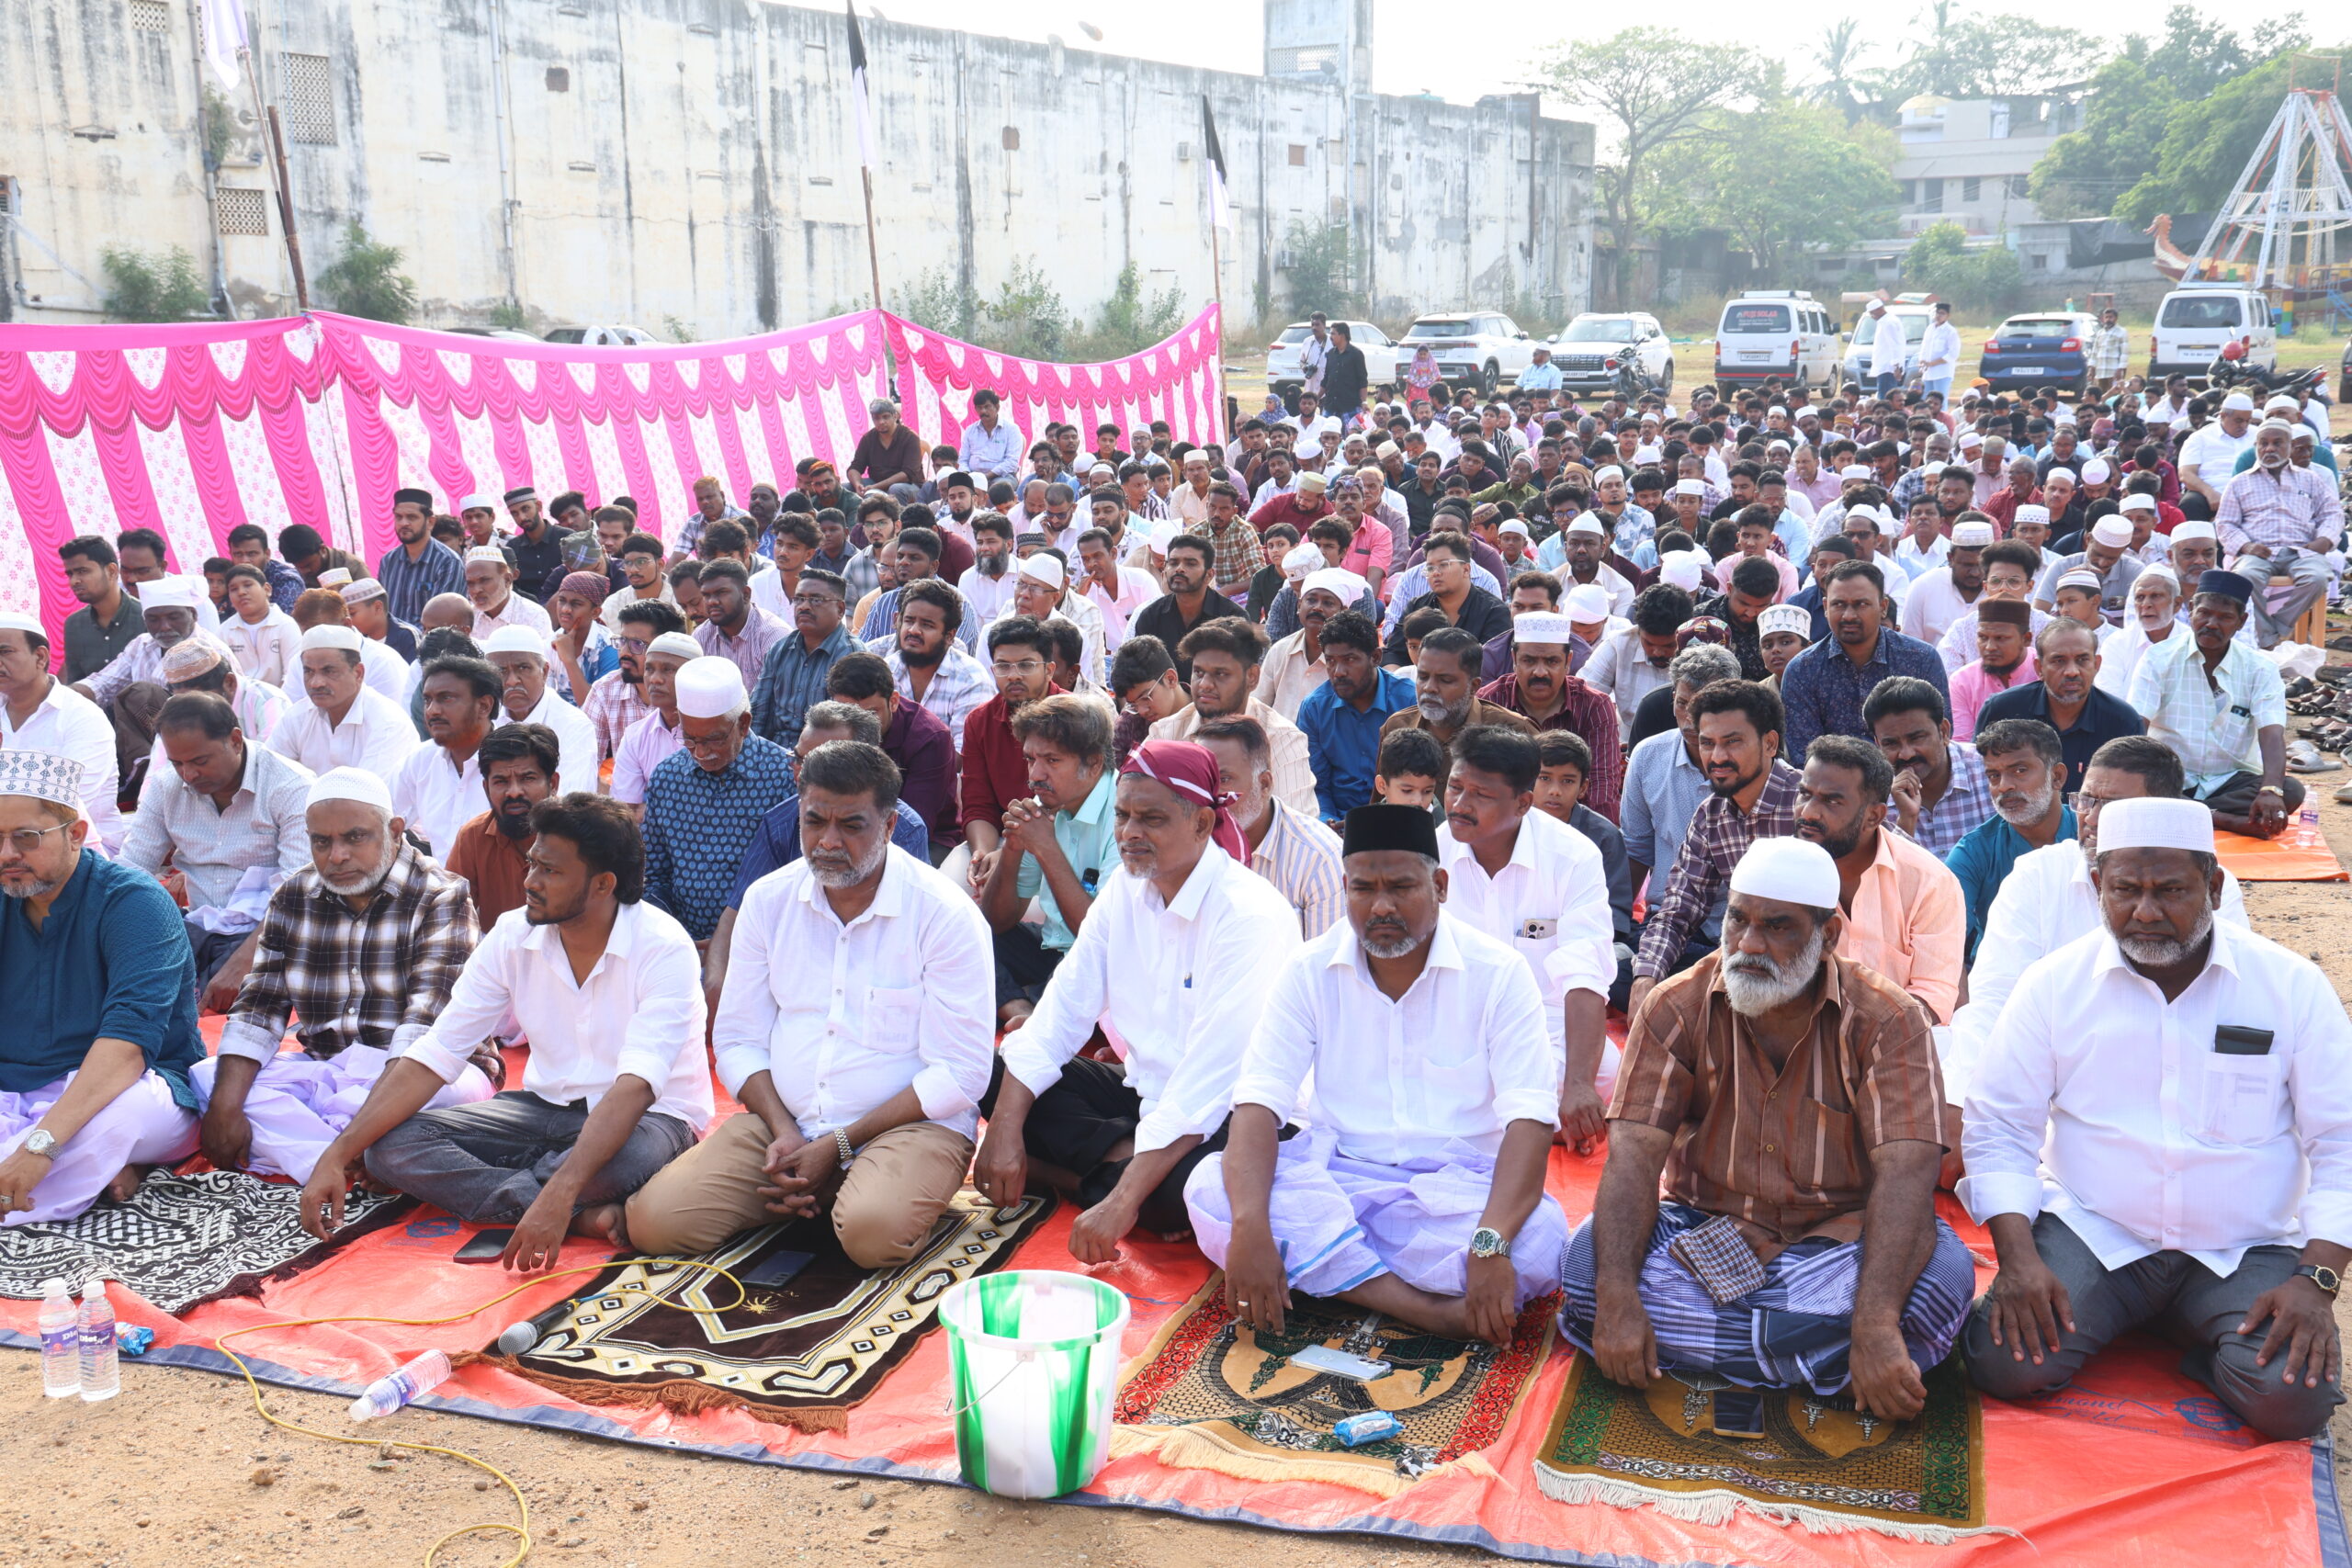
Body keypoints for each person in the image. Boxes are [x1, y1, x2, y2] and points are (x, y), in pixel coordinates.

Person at [1961, 796, 2351, 1440]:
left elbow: (2342, 1139)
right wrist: (2020, 1259)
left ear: (2215, 885)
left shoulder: (2289, 985)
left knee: (2292, 1397)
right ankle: (2155, 1320)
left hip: (2241, 1246)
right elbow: (2001, 1125)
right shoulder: (2054, 985)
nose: (2145, 911)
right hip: (2099, 1231)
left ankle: (2184, 1330)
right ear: (2096, 889)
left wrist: (2316, 1280)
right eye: (2125, 890)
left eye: (2170, 890)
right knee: (2005, 1361)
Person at [1564, 836, 1968, 1417]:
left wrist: (1875, 1322)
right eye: (1738, 920)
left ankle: (1735, 1346)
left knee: (1933, 1291)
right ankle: (1814, 1360)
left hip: (1841, 1245)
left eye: (1777, 927)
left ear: (1828, 937)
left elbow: (1908, 1174)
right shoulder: (1675, 1005)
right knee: (1585, 1274)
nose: (1749, 945)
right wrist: (1618, 1297)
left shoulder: (1888, 1018)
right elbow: (1632, 1156)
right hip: (1704, 1231)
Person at [1184, 804, 1570, 1342]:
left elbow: (1530, 1120)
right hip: (1338, 1178)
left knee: (1543, 1243)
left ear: (1439, 885)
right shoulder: (1308, 971)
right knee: (1211, 1188)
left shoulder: (1499, 974)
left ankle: (1336, 1270)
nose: (1381, 906)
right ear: (1345, 889)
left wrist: (1490, 1240)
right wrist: (1250, 1228)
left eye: (1401, 887)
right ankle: (1424, 1309)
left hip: (1458, 1196)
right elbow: (1257, 1103)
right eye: (1363, 889)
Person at [300, 795, 711, 1262]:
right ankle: (576, 1212)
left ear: (602, 885)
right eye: (532, 864)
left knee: (625, 1161)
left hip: (651, 1118)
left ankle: (555, 1193)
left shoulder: (663, 947)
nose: (531, 882)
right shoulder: (513, 933)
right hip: (541, 1109)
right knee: (389, 1149)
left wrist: (566, 1184)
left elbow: (636, 1087)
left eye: (550, 872)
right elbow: (439, 1051)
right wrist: (338, 1153)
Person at [627, 739, 990, 1262]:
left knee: (872, 1235)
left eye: (852, 825)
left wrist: (839, 1147)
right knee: (653, 1224)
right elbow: (737, 1040)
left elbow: (961, 1072)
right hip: (788, 1126)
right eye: (814, 821)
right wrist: (785, 1132)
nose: (827, 842)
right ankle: (819, 1190)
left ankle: (840, 1192)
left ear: (889, 828)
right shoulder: (769, 900)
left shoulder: (944, 914)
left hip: (910, 1128)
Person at [977, 739, 1306, 1258]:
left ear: (1201, 823)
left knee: (1181, 1194)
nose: (1130, 834)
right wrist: (1002, 1129)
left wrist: (1124, 1199)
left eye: (1150, 819)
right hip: (1144, 1091)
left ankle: (1090, 1173)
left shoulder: (1249, 917)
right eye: (1123, 815)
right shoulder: (1127, 890)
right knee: (994, 1075)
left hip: (1231, 1114)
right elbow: (1061, 1013)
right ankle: (1121, 1165)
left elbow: (1210, 1084)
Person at [199, 767, 493, 1182]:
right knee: (210, 1083)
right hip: (328, 1070)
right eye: (322, 842)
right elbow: (259, 1007)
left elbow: (425, 1033)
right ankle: (369, 1161)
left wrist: (352, 1133)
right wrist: (225, 1108)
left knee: (450, 1100)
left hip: (426, 1073)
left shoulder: (441, 895)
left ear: (394, 831)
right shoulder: (294, 895)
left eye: (355, 837)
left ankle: (328, 1155)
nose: (336, 856)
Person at [1948, 737, 2250, 1102]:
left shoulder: (2206, 886)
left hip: (2176, 1077)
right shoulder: (2037, 876)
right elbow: (1994, 1000)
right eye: (2086, 800)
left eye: (2109, 806)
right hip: (2056, 1085)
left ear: (2162, 812)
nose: (2089, 817)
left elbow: (2227, 999)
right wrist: (1964, 1101)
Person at [0, 750, 203, 1224]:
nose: (8, 853)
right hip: (14, 1086)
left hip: (132, 1087)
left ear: (76, 835)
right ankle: (97, 1175)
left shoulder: (134, 902)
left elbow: (127, 1050)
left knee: (117, 1121)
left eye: (26, 837)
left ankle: (53, 1175)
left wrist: (41, 1144)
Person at [1435, 726, 1618, 1147]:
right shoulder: (1433, 851)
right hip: (1455, 1020)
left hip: (1543, 1022)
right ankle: (1534, 1124)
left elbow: (1584, 977)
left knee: (1606, 1074)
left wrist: (1578, 1087)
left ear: (1522, 803)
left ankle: (1492, 1122)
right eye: (1455, 787)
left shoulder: (1573, 857)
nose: (1459, 806)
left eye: (1480, 795)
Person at [119, 693, 313, 1001]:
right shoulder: (166, 786)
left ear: (235, 740)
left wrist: (244, 962)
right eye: (177, 763)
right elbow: (130, 871)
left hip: (269, 935)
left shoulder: (290, 786)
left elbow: (298, 897)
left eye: (200, 761)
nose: (188, 774)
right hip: (196, 927)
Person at [1629, 679, 1801, 1015]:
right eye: (1707, 744)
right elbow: (1679, 907)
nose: (1717, 757)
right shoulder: (1712, 815)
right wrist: (1646, 978)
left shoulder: (1808, 802)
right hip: (1738, 956)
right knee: (1623, 973)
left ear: (1769, 743)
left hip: (1814, 961)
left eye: (1733, 742)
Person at [1789, 736, 1963, 1023]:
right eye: (1805, 794)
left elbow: (1933, 997)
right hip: (1800, 1044)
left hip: (1897, 1048)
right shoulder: (1777, 876)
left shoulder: (1929, 882)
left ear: (1874, 816)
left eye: (1832, 801)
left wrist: (1861, 1038)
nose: (1808, 813)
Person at [2127, 570, 2298, 836]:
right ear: (2191, 609)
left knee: (2291, 790)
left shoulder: (2260, 668)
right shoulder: (2158, 658)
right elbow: (2138, 725)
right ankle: (2224, 820)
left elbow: (2272, 732)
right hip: (2172, 779)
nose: (2212, 624)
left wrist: (2271, 790)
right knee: (2138, 784)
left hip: (2230, 781)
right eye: (2205, 613)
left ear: (2241, 621)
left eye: (2225, 617)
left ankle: (2186, 812)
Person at [981, 694, 1118, 1024]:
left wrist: (1045, 848)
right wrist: (1013, 850)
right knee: (968, 934)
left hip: (1098, 963)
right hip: (1051, 947)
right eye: (1030, 760)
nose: (1035, 775)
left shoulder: (1125, 815)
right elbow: (996, 921)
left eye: (1052, 761)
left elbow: (1103, 938)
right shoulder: (1045, 805)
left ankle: (1026, 1006)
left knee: (1083, 976)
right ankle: (1018, 1007)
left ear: (1095, 764)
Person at [643, 658, 796, 944]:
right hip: (680, 943)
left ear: (744, 724)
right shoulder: (667, 779)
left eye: (714, 740)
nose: (701, 753)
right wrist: (673, 937)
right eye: (690, 740)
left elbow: (793, 880)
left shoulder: (783, 775)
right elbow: (656, 875)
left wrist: (727, 943)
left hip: (761, 943)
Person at [1193, 716, 1345, 941]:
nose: (1212, 794)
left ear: (1264, 784)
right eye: (1202, 779)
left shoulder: (1319, 857)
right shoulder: (1186, 847)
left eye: (1224, 779)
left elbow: (1322, 969)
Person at [1778, 562, 1950, 759]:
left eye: (1861, 604)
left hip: (1914, 777)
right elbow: (1805, 757)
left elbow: (1938, 738)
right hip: (1833, 786)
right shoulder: (1802, 670)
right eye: (1839, 604)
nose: (1849, 615)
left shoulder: (1921, 659)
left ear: (1883, 607)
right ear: (1825, 607)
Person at [1145, 619, 1317, 814]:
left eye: (1221, 674)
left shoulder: (1282, 740)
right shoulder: (1164, 734)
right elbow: (1141, 810)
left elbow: (1294, 826)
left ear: (1252, 677)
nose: (1205, 684)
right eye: (1199, 672)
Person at [1945, 716, 2073, 962]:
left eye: (2019, 770)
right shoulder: (1973, 851)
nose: (2003, 786)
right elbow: (1945, 942)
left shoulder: (2090, 836)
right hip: (2001, 984)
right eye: (1994, 776)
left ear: (2057, 776)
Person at [1476, 611, 1623, 822]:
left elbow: (1601, 790)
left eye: (1552, 661)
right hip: (1504, 827)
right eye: (1529, 661)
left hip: (1573, 833)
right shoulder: (1490, 700)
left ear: (1568, 661)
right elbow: (1482, 782)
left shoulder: (1594, 705)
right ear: (1514, 659)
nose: (1540, 672)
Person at [0, 613, 124, 852]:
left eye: (5, 652)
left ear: (40, 656)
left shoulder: (82, 717)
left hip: (75, 847)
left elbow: (68, 804)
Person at [2217, 418, 2339, 648]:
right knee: (2243, 579)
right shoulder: (2239, 483)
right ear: (2256, 446)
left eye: (2277, 443)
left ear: (2290, 446)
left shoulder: (2310, 479)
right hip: (2258, 553)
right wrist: (2246, 546)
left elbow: (2332, 513)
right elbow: (2225, 524)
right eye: (2263, 443)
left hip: (2302, 551)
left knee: (2318, 578)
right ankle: (2267, 640)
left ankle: (2276, 628)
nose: (2269, 448)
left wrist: (2324, 540)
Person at [1295, 610, 1415, 825]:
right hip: (1338, 824)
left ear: (1376, 657)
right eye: (1330, 661)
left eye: (1349, 659)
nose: (1338, 671)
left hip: (1399, 820)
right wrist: (1327, 822)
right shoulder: (1314, 708)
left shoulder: (1409, 701)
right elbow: (1316, 785)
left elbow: (1419, 782)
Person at [445, 724, 560, 927]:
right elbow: (450, 918)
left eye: (528, 778)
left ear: (553, 784)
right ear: (486, 788)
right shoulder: (473, 837)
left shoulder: (582, 837)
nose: (514, 792)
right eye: (501, 781)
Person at [390, 654, 503, 861]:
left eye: (446, 698)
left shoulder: (515, 762)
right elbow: (383, 821)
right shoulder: (421, 760)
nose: (432, 711)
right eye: (428, 700)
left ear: (484, 706)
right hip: (439, 889)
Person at [479, 626, 596, 798]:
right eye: (501, 671)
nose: (512, 681)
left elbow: (573, 801)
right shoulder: (483, 720)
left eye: (523, 668)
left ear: (545, 672)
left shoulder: (573, 724)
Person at [750, 567, 857, 749]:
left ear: (840, 609)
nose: (804, 606)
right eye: (799, 599)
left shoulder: (851, 657)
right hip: (775, 756)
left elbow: (842, 732)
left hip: (822, 760)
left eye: (816, 600)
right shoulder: (781, 649)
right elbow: (759, 713)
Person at [1128, 536, 1247, 686]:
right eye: (1173, 563)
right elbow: (1142, 676)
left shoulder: (1233, 618)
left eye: (1190, 563)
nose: (1179, 569)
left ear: (1209, 575)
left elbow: (1237, 680)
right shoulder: (1150, 616)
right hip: (1165, 704)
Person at [610, 632, 699, 811]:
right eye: (649, 669)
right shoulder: (636, 737)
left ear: (695, 676)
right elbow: (626, 812)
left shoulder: (715, 732)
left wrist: (649, 809)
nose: (655, 679)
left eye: (669, 669)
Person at [57, 536, 145, 685]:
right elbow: (76, 683)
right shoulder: (74, 624)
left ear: (111, 571)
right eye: (70, 574)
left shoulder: (147, 617)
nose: (74, 581)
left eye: (83, 571)